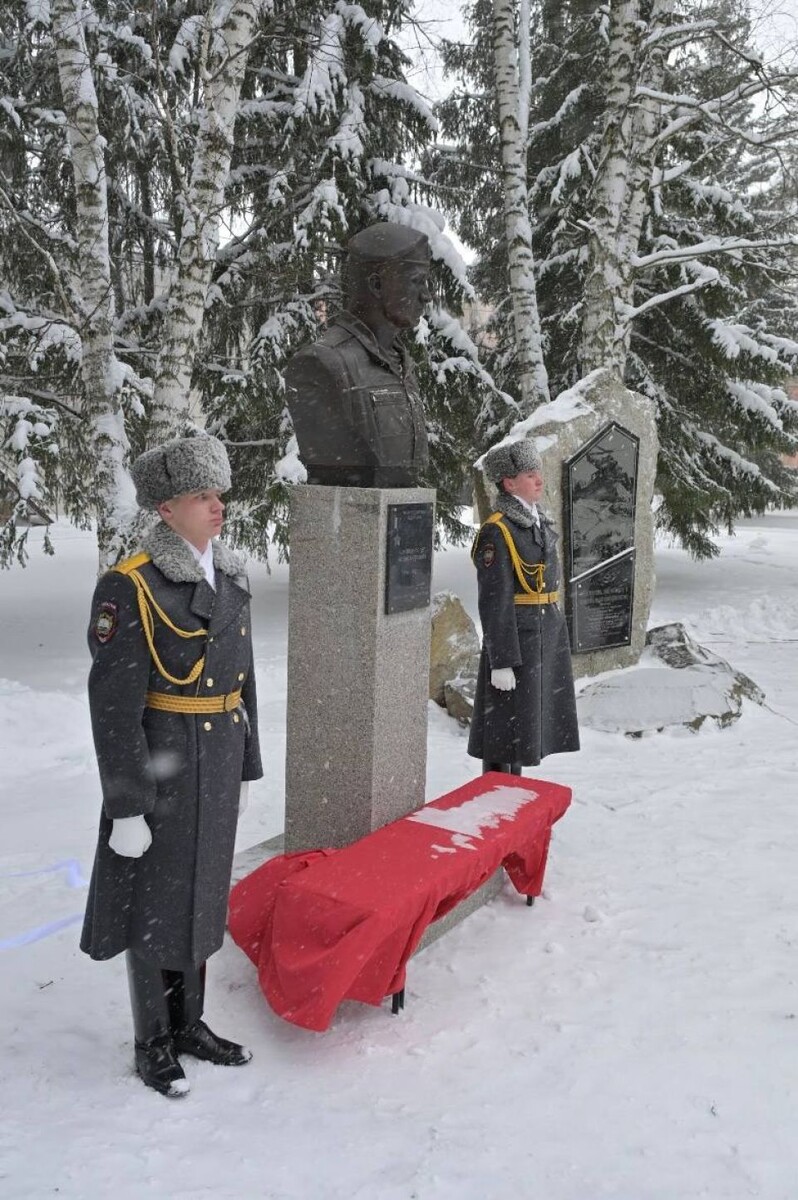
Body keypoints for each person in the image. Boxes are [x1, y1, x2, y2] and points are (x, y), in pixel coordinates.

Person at [80, 433, 263, 1098]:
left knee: (201, 895)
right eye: (200, 497)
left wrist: (246, 765)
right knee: (156, 905)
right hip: (161, 767)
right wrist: (126, 805)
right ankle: (153, 1040)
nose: (217, 507)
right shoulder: (130, 586)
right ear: (165, 508)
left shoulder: (231, 575)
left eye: (218, 494)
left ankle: (190, 1024)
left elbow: (241, 681)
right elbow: (114, 708)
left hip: (215, 758)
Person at [283, 222, 432, 487]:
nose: (426, 295)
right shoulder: (323, 365)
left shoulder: (401, 364)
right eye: (415, 281)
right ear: (376, 285)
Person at [467, 439, 579, 774]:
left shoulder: (536, 522)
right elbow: (494, 600)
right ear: (508, 482)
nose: (539, 480)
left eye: (537, 473)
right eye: (530, 474)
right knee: (504, 731)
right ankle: (496, 800)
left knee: (526, 730)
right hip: (517, 640)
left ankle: (515, 801)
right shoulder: (498, 531)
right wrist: (501, 661)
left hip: (542, 636)